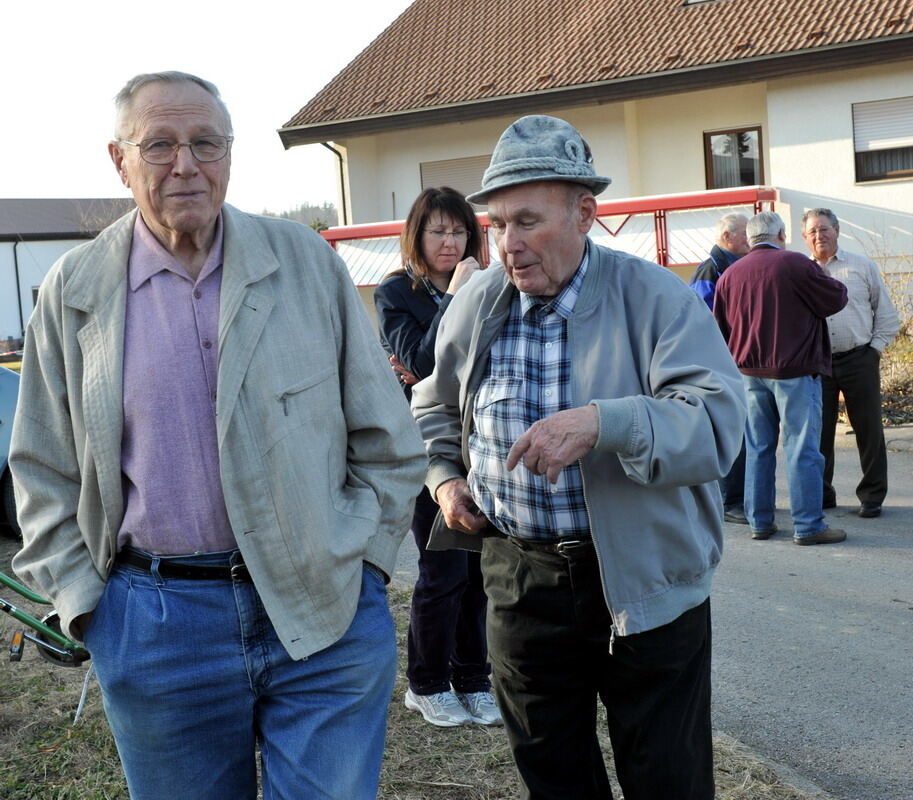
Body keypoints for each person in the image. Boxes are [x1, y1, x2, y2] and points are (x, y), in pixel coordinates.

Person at [9, 71, 427, 800]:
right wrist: (89, 606)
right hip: (155, 625)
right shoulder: (74, 292)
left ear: (229, 155)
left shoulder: (304, 263)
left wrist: (366, 567)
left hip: (321, 609)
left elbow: (386, 437)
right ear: (119, 160)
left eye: (206, 143)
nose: (185, 164)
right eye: (160, 145)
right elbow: (40, 469)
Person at [411, 114, 746, 800]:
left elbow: (717, 425)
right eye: (497, 224)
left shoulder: (653, 296)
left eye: (527, 220)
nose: (508, 243)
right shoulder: (477, 301)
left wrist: (604, 423)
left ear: (584, 213)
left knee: (667, 778)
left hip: (644, 579)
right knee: (552, 770)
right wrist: (445, 480)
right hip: (520, 576)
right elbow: (433, 407)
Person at [373, 187, 501, 728]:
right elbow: (424, 362)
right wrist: (454, 297)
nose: (449, 242)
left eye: (458, 232)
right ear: (417, 236)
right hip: (427, 447)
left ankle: (473, 677)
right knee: (442, 570)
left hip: (481, 444)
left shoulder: (490, 285)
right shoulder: (395, 292)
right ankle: (426, 684)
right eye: (438, 232)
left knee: (479, 572)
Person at [714, 211, 848, 545]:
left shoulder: (731, 274)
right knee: (801, 447)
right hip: (794, 371)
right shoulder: (795, 264)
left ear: (751, 238)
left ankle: (759, 522)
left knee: (759, 448)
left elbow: (719, 327)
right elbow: (836, 298)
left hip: (748, 374)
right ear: (782, 234)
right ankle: (808, 525)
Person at [801, 208, 900, 518]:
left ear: (838, 230)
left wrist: (875, 351)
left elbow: (886, 314)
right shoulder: (801, 271)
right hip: (818, 364)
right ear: (805, 238)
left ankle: (872, 496)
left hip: (860, 359)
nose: (819, 235)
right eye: (813, 231)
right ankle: (823, 493)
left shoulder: (861, 266)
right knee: (819, 433)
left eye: (824, 229)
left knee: (869, 429)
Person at [690, 213, 751, 524]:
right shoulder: (711, 270)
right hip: (720, 366)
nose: (750, 240)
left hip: (731, 363)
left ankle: (740, 499)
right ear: (728, 238)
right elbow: (701, 322)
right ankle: (730, 502)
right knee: (732, 435)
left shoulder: (731, 267)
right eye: (745, 235)